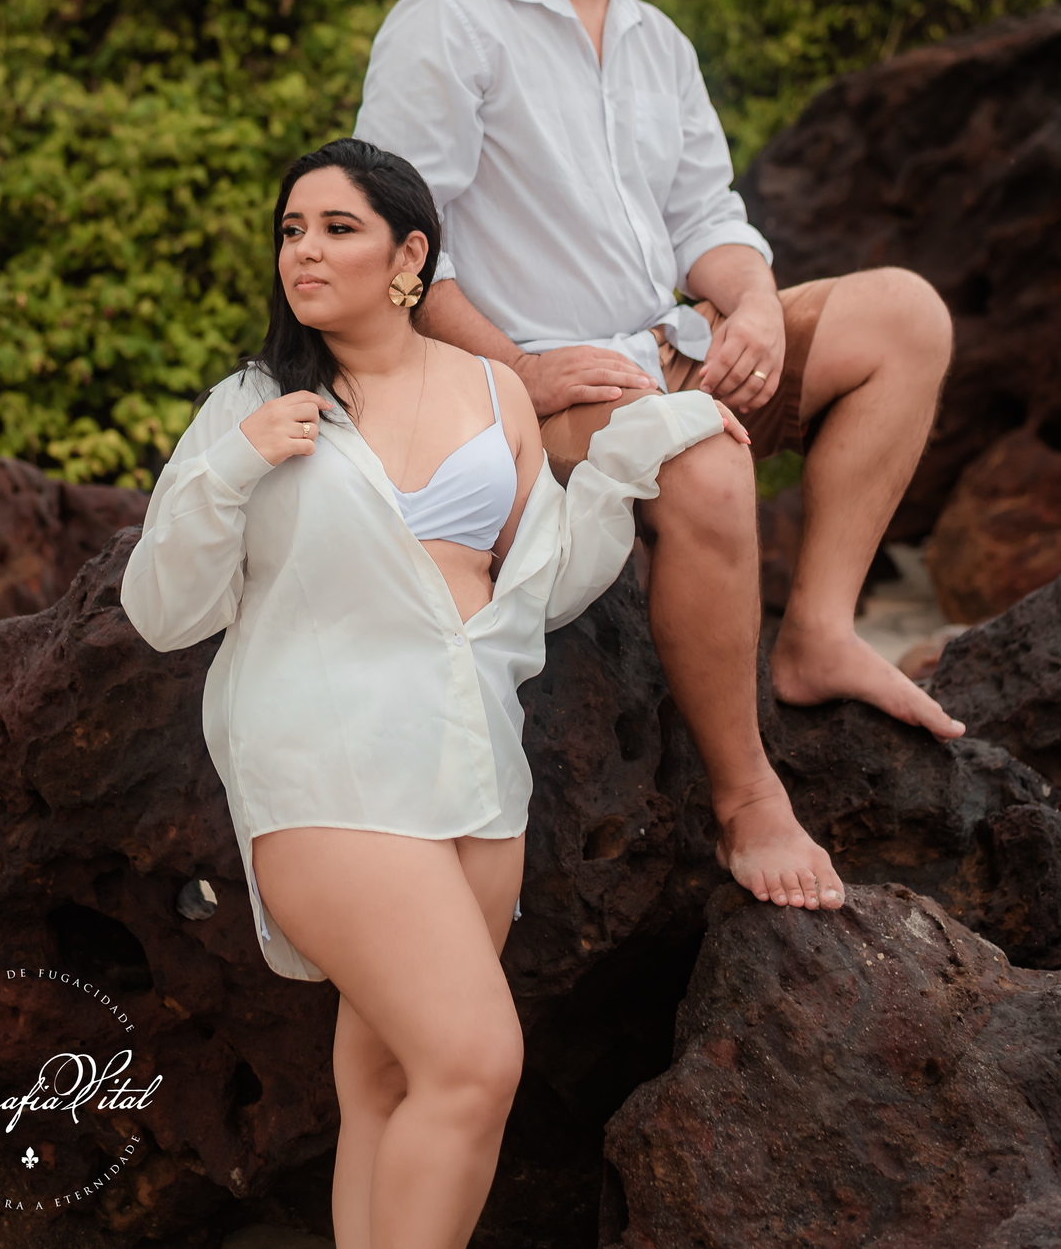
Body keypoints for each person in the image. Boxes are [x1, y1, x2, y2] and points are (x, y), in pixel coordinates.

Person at [120, 137, 764, 1249]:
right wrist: (237, 464)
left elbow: (540, 585)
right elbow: (161, 609)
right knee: (476, 1064)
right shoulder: (256, 400)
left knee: (384, 1081)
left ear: (410, 253)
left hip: (471, 763)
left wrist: (644, 443)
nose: (304, 251)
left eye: (336, 227)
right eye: (290, 230)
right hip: (325, 761)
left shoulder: (491, 387)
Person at [354, 0, 967, 912]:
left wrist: (750, 305)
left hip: (668, 345)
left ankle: (821, 631)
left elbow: (709, 219)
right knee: (703, 460)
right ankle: (746, 797)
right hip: (538, 374)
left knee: (905, 314)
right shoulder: (449, 23)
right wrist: (522, 371)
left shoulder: (656, 40)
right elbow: (394, 248)